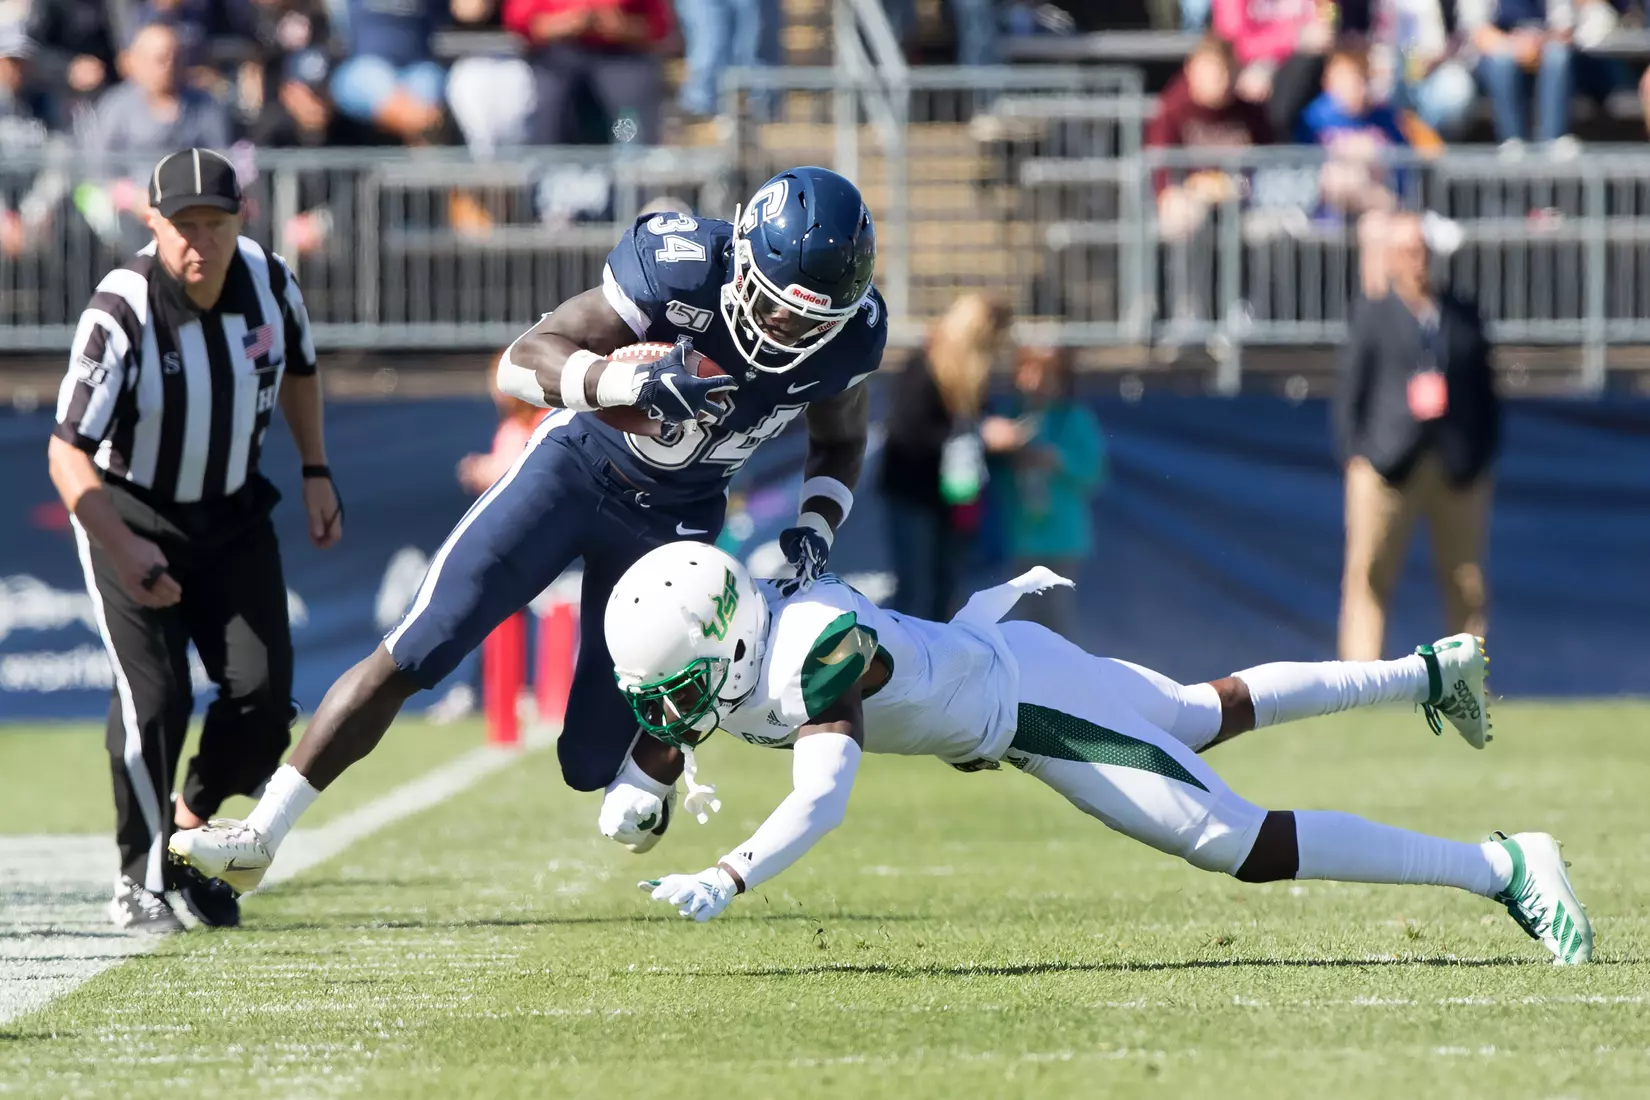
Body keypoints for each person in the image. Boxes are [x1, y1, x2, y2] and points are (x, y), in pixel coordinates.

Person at [170, 167, 886, 888]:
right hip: (573, 472)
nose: (787, 330)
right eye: (775, 305)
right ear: (743, 258)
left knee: (593, 765)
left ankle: (657, 772)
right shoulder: (685, 266)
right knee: (419, 646)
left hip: (675, 522)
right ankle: (261, 833)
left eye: (812, 322)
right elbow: (521, 362)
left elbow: (840, 440)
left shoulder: (851, 340)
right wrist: (629, 383)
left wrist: (817, 526)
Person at [605, 543, 1591, 969]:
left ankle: (1502, 866)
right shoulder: (739, 639)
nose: (671, 710)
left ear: (735, 640)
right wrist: (637, 792)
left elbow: (822, 796)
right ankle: (1425, 674)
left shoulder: (816, 654)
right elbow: (672, 722)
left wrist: (731, 871)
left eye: (681, 688)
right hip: (1015, 662)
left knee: (1235, 841)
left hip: (1031, 710)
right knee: (1202, 711)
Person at [46, 148, 340, 933]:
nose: (199, 241)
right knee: (157, 698)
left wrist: (315, 468)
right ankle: (136, 880)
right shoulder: (123, 308)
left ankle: (188, 827)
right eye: (183, 225)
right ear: (153, 223)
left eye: (214, 223)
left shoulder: (271, 282)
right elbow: (66, 452)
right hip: (130, 513)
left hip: (234, 513)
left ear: (241, 221)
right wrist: (123, 547)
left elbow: (301, 369)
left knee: (264, 700)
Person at [1334, 211, 1499, 663]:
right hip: (1387, 462)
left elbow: (1486, 393)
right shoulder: (1373, 314)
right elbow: (1351, 390)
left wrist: (1480, 456)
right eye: (1407, 251)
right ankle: (1362, 679)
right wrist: (1355, 454)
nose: (1418, 260)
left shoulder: (1461, 314)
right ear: (1391, 259)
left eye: (1423, 250)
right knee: (1369, 575)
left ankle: (1466, 677)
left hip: (1455, 465)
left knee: (1466, 580)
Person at [877, 293, 1012, 622]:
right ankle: (899, 654)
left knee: (947, 589)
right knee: (913, 589)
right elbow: (908, 434)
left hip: (955, 496)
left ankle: (940, 653)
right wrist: (979, 435)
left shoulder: (972, 377)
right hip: (913, 493)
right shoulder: (925, 366)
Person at [979, 346, 1106, 641]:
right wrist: (1009, 456)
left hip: (1061, 537)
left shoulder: (1074, 418)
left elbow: (1094, 471)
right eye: (1029, 372)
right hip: (1020, 534)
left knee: (1056, 614)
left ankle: (1064, 668)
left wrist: (1057, 460)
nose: (1036, 382)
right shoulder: (1011, 416)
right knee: (1023, 616)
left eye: (1046, 374)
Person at [1146, 35, 1272, 243]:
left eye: (1226, 70)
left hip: (1243, 195)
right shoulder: (1172, 109)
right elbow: (1160, 167)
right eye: (1213, 71)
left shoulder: (1251, 112)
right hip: (1188, 196)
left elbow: (1270, 157)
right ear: (1191, 70)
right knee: (1179, 216)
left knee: (1270, 224)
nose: (1221, 80)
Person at [502, 0, 674, 146]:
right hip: (557, 53)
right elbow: (521, 25)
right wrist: (567, 23)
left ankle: (631, 164)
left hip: (621, 52)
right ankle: (547, 167)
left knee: (629, 110)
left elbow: (657, 28)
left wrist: (620, 26)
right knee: (548, 103)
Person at [1212, 0, 1336, 139]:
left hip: (1304, 64)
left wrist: (1328, 24)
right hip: (1248, 66)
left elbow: (1328, 12)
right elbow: (1231, 39)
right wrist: (1292, 37)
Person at [329, 0, 446, 144]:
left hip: (418, 68)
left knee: (428, 85)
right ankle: (417, 128)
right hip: (363, 68)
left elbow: (461, 10)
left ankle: (424, 149)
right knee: (376, 82)